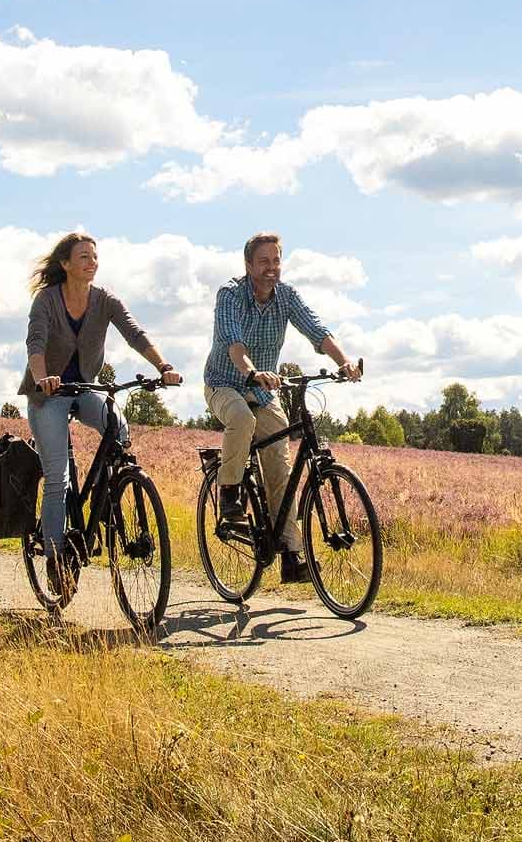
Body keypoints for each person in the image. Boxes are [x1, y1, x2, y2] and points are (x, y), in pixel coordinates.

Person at [20, 232, 179, 599]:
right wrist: (43, 377)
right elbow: (36, 343)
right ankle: (57, 558)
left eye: (94, 256)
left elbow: (134, 334)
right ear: (65, 264)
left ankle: (111, 499)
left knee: (118, 430)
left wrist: (163, 365)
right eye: (83, 257)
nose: (91, 262)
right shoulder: (46, 300)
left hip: (87, 389)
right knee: (58, 477)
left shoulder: (104, 300)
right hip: (49, 395)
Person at [205, 232, 356, 575]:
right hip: (224, 383)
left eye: (276, 261)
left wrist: (343, 362)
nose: (271, 268)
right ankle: (229, 493)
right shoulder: (230, 294)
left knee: (280, 469)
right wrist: (253, 371)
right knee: (241, 419)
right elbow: (233, 342)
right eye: (263, 261)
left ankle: (291, 553)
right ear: (248, 265)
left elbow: (316, 329)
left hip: (264, 391)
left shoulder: (286, 297)